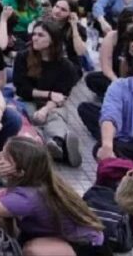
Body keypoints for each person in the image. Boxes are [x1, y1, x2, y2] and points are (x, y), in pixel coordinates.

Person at [0, 137, 104, 256]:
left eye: (5, 158)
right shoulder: (41, 179)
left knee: (33, 250)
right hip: (60, 236)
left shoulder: (28, 198)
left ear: (20, 172)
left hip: (87, 247)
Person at [13, 20, 83, 166]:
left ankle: (55, 142)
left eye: (41, 35)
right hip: (27, 99)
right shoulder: (22, 57)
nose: (35, 38)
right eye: (34, 34)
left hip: (52, 105)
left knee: (56, 116)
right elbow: (22, 89)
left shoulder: (66, 67)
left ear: (52, 40)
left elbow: (61, 95)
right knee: (30, 117)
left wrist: (45, 108)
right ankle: (54, 146)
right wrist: (48, 94)